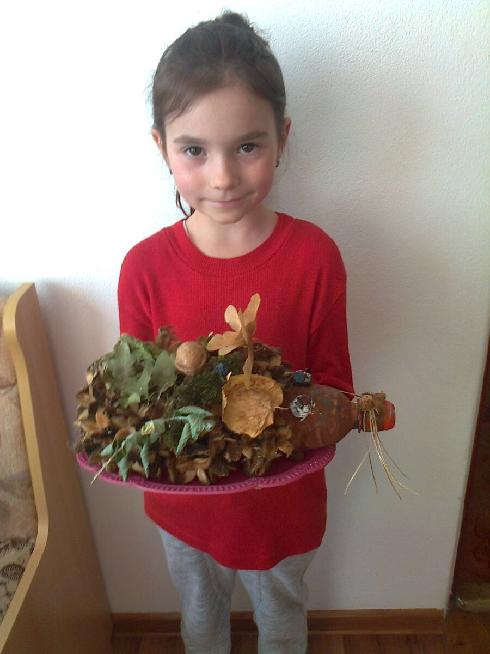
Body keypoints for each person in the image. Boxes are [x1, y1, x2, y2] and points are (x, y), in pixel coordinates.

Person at [118, 11, 353, 654]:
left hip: (283, 507)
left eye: (247, 146)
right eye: (194, 150)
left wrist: (302, 414)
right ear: (161, 146)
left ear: (282, 138)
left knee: (282, 617)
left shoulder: (315, 258)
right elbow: (137, 396)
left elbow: (335, 385)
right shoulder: (143, 268)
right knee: (201, 618)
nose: (222, 176)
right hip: (185, 507)